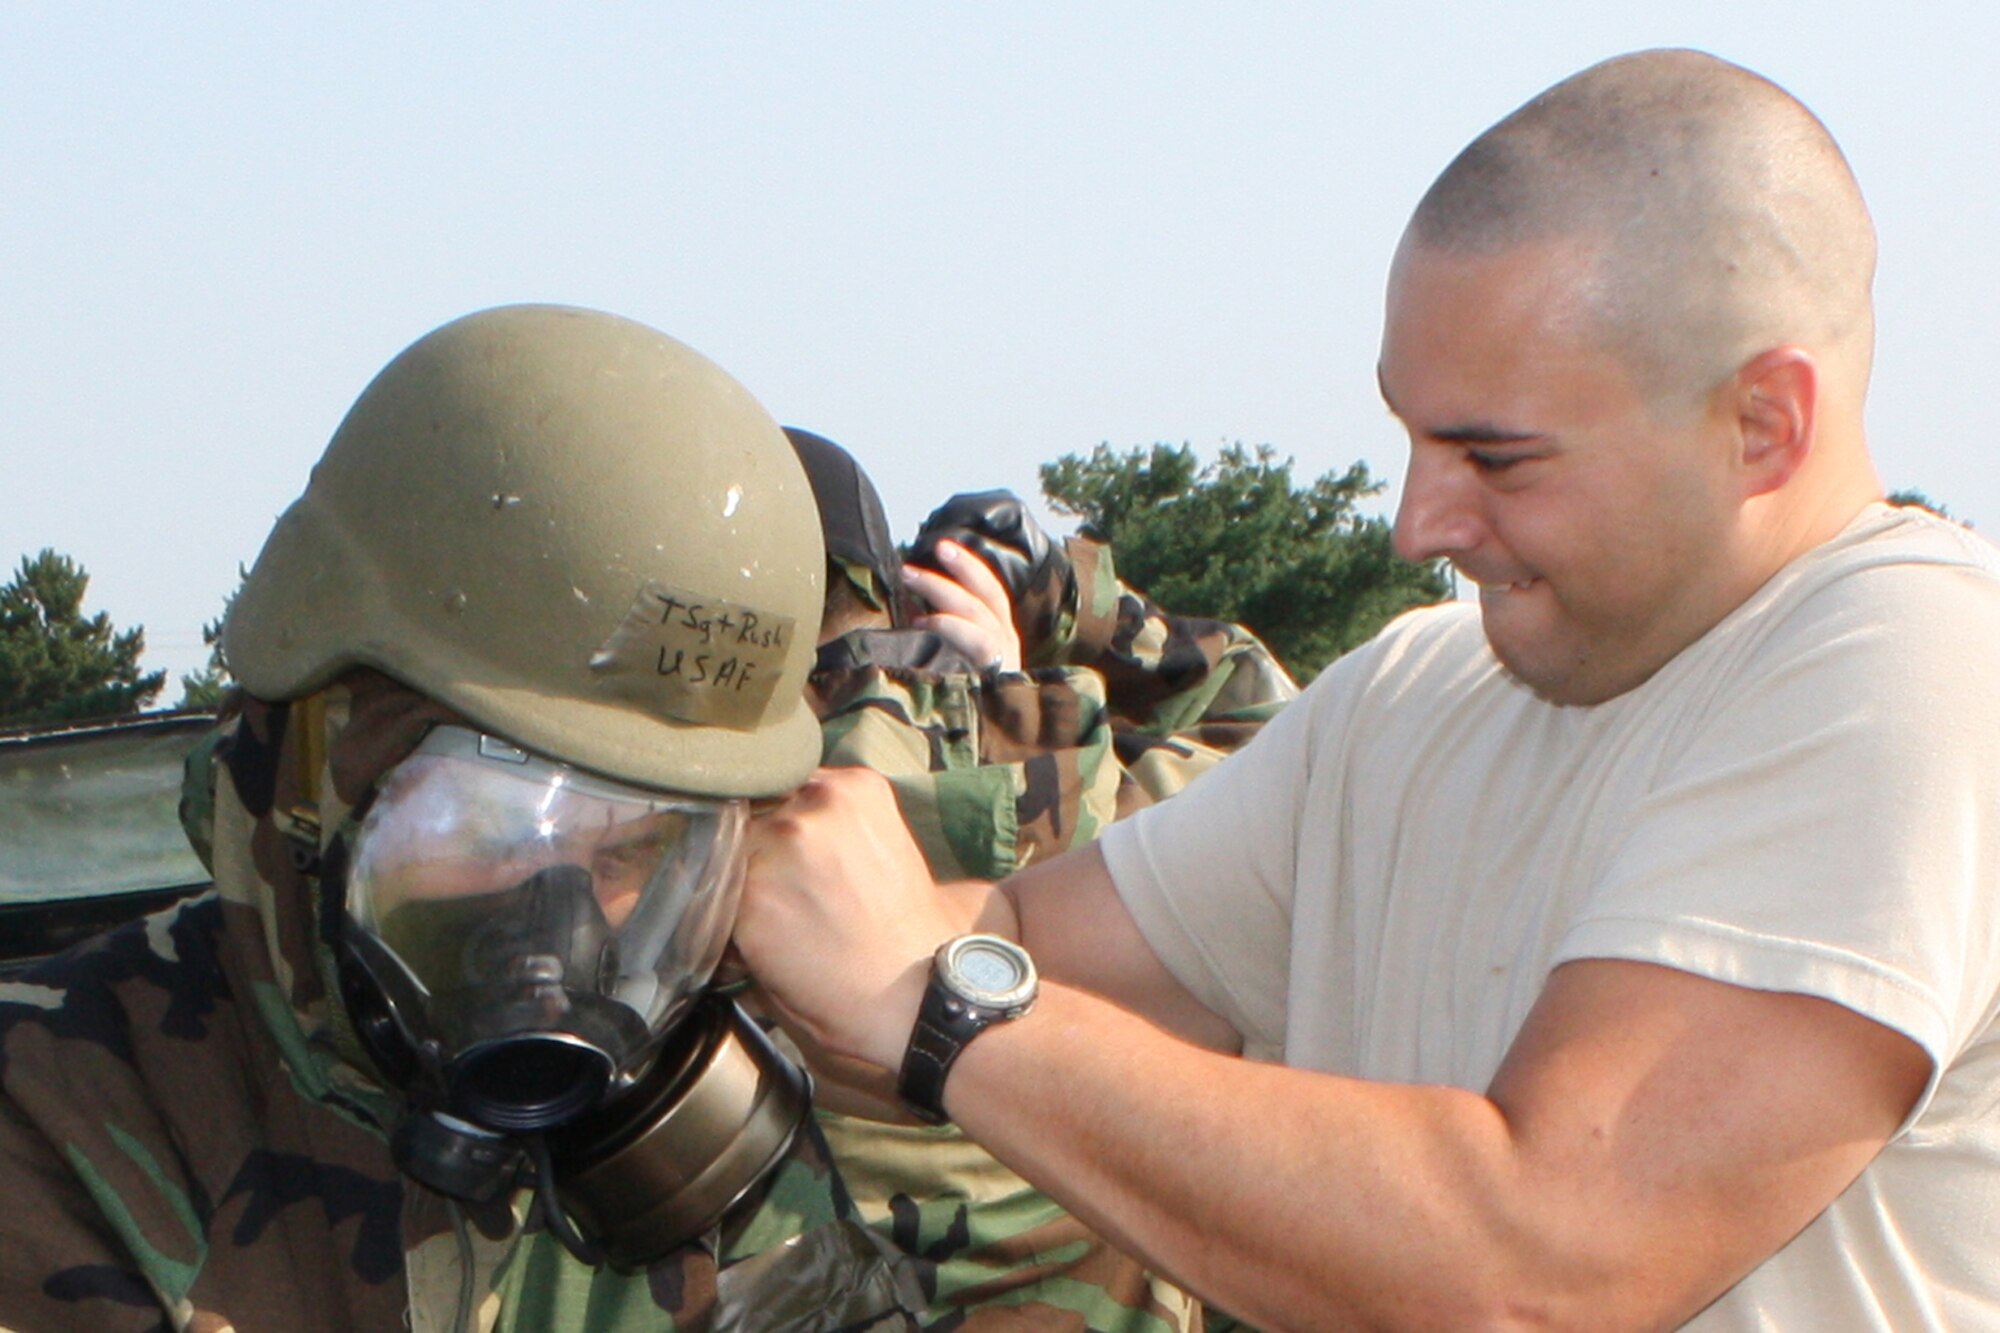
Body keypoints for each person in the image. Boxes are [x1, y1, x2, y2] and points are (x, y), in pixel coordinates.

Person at [732, 50, 2000, 1331]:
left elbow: (1545, 1260)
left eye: (1491, 456)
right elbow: (1009, 936)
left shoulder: (1917, 660)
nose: (1414, 523)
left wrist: (937, 1011)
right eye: (1408, 433)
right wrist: (700, 889)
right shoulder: (1411, 695)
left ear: (1762, 424)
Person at [0, 304, 938, 1332]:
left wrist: (936, 1047)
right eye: (499, 833)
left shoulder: (686, 1143)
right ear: (319, 763)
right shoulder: (58, 1110)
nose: (565, 920)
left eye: (636, 845)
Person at [769, 427, 1299, 1326]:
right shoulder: (1113, 808)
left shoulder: (649, 848)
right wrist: (1049, 628)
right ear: (888, 594)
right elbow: (1285, 727)